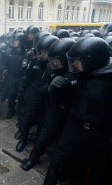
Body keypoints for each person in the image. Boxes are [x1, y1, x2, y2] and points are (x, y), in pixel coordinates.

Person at [44, 37, 112, 185]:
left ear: (93, 61)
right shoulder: (78, 74)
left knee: (96, 171)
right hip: (74, 126)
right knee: (58, 161)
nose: (74, 64)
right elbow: (66, 102)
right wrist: (56, 90)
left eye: (78, 60)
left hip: (100, 134)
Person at [21, 38, 76, 171]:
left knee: (65, 143)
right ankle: (33, 158)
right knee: (44, 135)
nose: (53, 63)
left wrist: (68, 87)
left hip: (71, 113)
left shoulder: (76, 74)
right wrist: (51, 87)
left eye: (56, 59)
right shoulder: (51, 70)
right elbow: (42, 85)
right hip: (54, 108)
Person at [15, 35, 59, 152]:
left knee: (42, 122)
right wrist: (21, 93)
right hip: (34, 94)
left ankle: (36, 142)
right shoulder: (35, 61)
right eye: (41, 51)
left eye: (45, 52)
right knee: (27, 118)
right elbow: (26, 78)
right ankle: (23, 139)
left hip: (48, 98)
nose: (41, 55)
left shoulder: (57, 67)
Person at [15, 31, 50, 132]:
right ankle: (22, 131)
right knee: (26, 110)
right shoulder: (32, 56)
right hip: (31, 88)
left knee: (41, 116)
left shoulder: (52, 60)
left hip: (44, 91)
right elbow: (24, 73)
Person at [5, 32, 26, 119]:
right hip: (12, 76)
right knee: (11, 95)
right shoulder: (11, 51)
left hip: (21, 77)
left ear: (21, 41)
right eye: (14, 40)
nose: (14, 42)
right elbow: (7, 64)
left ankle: (21, 113)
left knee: (21, 96)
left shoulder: (26, 53)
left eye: (17, 41)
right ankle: (11, 110)